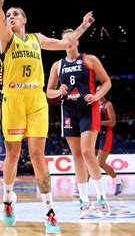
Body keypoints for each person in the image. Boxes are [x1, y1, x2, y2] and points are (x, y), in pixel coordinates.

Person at [0, 0, 93, 232]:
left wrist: (81, 27)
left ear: (24, 19)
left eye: (16, 14)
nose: (11, 16)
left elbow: (65, 44)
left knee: (38, 155)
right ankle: (7, 199)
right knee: (13, 154)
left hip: (36, 99)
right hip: (13, 99)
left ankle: (49, 211)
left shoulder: (37, 39)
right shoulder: (7, 38)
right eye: (9, 14)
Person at [46, 29, 112, 219]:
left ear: (77, 42)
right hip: (68, 110)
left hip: (88, 108)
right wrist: (59, 91)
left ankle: (102, 198)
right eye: (64, 38)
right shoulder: (57, 65)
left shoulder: (89, 59)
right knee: (76, 156)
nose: (68, 40)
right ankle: (84, 201)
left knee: (86, 152)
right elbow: (48, 92)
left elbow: (106, 82)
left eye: (71, 38)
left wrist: (97, 96)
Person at [95, 86, 125, 196]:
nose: (97, 92)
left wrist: (97, 122)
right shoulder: (94, 104)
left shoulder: (108, 105)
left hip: (105, 134)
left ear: (104, 92)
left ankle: (119, 182)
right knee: (90, 162)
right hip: (96, 135)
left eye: (99, 91)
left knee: (100, 163)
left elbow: (112, 122)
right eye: (96, 91)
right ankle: (81, 188)